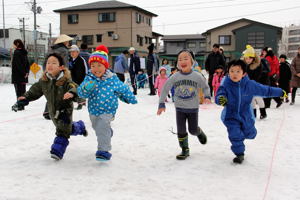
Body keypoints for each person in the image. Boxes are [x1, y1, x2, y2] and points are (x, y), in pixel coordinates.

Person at [12, 53, 87, 160]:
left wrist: (73, 94)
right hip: (52, 112)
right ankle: (80, 126)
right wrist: (25, 98)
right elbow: (34, 91)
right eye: (48, 62)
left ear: (61, 67)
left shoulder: (66, 80)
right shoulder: (44, 81)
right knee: (68, 129)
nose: (50, 65)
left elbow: (75, 88)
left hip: (64, 112)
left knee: (63, 132)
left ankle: (57, 150)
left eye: (54, 63)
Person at [215, 59, 286, 164]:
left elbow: (266, 90)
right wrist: (221, 99)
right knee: (235, 134)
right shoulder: (226, 84)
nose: (234, 74)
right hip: (231, 115)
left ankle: (246, 133)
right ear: (228, 72)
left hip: (245, 114)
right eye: (232, 71)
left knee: (250, 133)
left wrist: (280, 92)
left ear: (244, 73)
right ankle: (239, 154)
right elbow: (220, 94)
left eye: (238, 71)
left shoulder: (250, 85)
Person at [77, 45, 137, 161]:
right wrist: (86, 88)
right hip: (93, 110)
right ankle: (108, 133)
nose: (96, 69)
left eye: (99, 65)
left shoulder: (112, 79)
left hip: (108, 110)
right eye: (93, 66)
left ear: (105, 66)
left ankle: (103, 151)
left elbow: (123, 88)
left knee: (102, 127)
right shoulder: (89, 78)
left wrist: (130, 98)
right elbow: (81, 93)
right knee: (96, 127)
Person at [157, 49, 211, 160]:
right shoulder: (175, 76)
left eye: (186, 58)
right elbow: (165, 88)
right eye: (180, 59)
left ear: (192, 62)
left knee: (192, 130)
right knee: (181, 130)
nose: (183, 61)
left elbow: (205, 86)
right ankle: (184, 149)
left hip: (193, 108)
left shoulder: (197, 76)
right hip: (180, 109)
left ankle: (198, 132)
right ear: (178, 63)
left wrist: (207, 96)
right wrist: (161, 103)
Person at [43, 34, 73, 120]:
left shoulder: (51, 50)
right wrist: (65, 74)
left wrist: (46, 72)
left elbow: (46, 62)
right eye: (67, 41)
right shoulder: (64, 51)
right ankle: (51, 111)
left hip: (49, 73)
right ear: (64, 42)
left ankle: (48, 111)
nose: (68, 43)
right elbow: (64, 64)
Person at [242, 45, 267, 119]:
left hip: (256, 85)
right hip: (248, 86)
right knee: (251, 100)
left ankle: (263, 113)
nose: (248, 60)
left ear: (253, 58)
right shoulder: (245, 65)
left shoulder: (258, 65)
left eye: (250, 58)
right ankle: (253, 114)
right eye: (246, 58)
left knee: (258, 99)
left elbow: (258, 76)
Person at [11, 39, 30, 111]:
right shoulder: (24, 52)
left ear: (17, 44)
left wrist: (23, 73)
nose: (13, 45)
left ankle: (19, 105)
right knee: (23, 91)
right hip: (24, 76)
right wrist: (26, 73)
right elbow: (27, 64)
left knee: (18, 91)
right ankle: (22, 105)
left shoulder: (17, 52)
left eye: (14, 44)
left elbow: (18, 65)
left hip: (18, 76)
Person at [69, 45, 89, 110]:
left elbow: (81, 72)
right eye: (71, 52)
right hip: (73, 78)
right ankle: (79, 102)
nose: (72, 53)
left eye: (73, 52)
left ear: (78, 52)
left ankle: (81, 103)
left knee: (79, 91)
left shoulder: (80, 60)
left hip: (80, 78)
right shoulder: (71, 59)